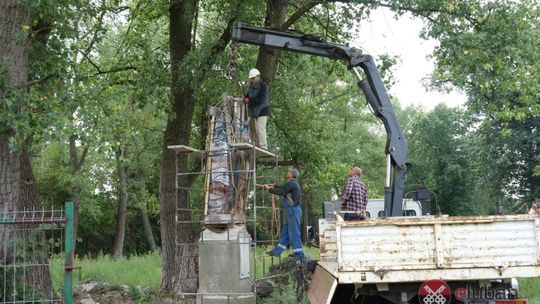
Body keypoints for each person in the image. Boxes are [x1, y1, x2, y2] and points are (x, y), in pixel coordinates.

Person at [263, 168, 304, 259]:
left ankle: (299, 255)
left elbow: (281, 191)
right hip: (291, 212)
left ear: (292, 175)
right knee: (285, 233)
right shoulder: (292, 183)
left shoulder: (292, 183)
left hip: (293, 211)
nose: (287, 172)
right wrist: (275, 186)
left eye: (289, 171)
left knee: (294, 233)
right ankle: (277, 252)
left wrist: (269, 189)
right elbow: (283, 188)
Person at [243, 68, 270, 150]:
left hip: (262, 109)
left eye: (253, 78)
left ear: (258, 77)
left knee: (261, 128)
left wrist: (249, 100)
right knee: (257, 130)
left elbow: (260, 99)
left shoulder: (263, 86)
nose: (252, 80)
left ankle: (264, 146)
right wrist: (245, 98)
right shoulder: (252, 87)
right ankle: (260, 145)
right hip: (255, 111)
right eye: (251, 79)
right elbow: (247, 95)